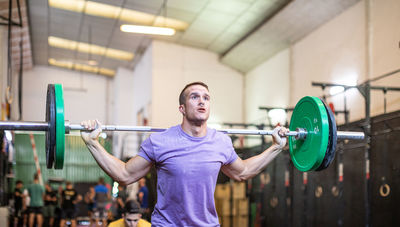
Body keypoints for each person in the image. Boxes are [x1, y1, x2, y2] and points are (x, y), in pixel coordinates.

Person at [81, 82, 287, 226]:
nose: (202, 101)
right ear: (181, 107)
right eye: (194, 97)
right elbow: (125, 175)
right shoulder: (160, 141)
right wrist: (93, 143)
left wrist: (276, 147)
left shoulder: (221, 142)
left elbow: (243, 172)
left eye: (206, 97)